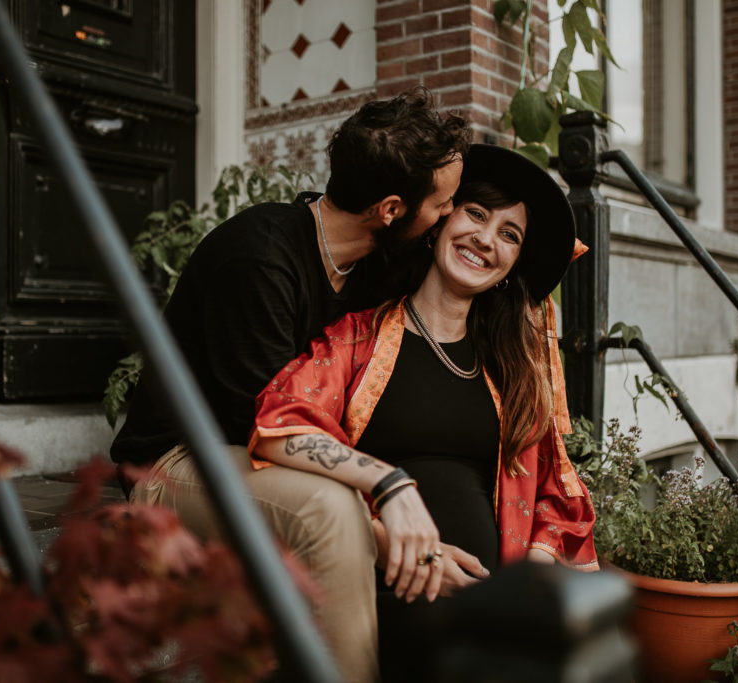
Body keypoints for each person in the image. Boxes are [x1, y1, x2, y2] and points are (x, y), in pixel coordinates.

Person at [111, 88, 470, 683]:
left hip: (267, 461)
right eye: (442, 206)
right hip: (175, 462)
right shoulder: (257, 259)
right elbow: (270, 429)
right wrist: (389, 520)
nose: (447, 218)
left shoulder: (374, 263)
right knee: (333, 510)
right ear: (389, 209)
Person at [248, 144, 599, 681]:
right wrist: (400, 546)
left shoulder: (514, 371)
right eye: (476, 214)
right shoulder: (357, 340)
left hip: (490, 600)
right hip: (388, 584)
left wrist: (521, 591)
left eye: (510, 234)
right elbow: (279, 427)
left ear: (512, 265)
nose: (486, 239)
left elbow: (556, 499)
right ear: (438, 224)